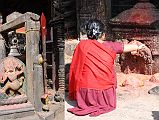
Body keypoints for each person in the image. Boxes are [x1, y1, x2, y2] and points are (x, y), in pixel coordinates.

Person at [67, 19, 145, 117]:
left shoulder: (81, 45)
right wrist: (139, 46)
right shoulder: (110, 46)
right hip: (104, 93)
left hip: (84, 93)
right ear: (102, 34)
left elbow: (75, 68)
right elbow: (127, 47)